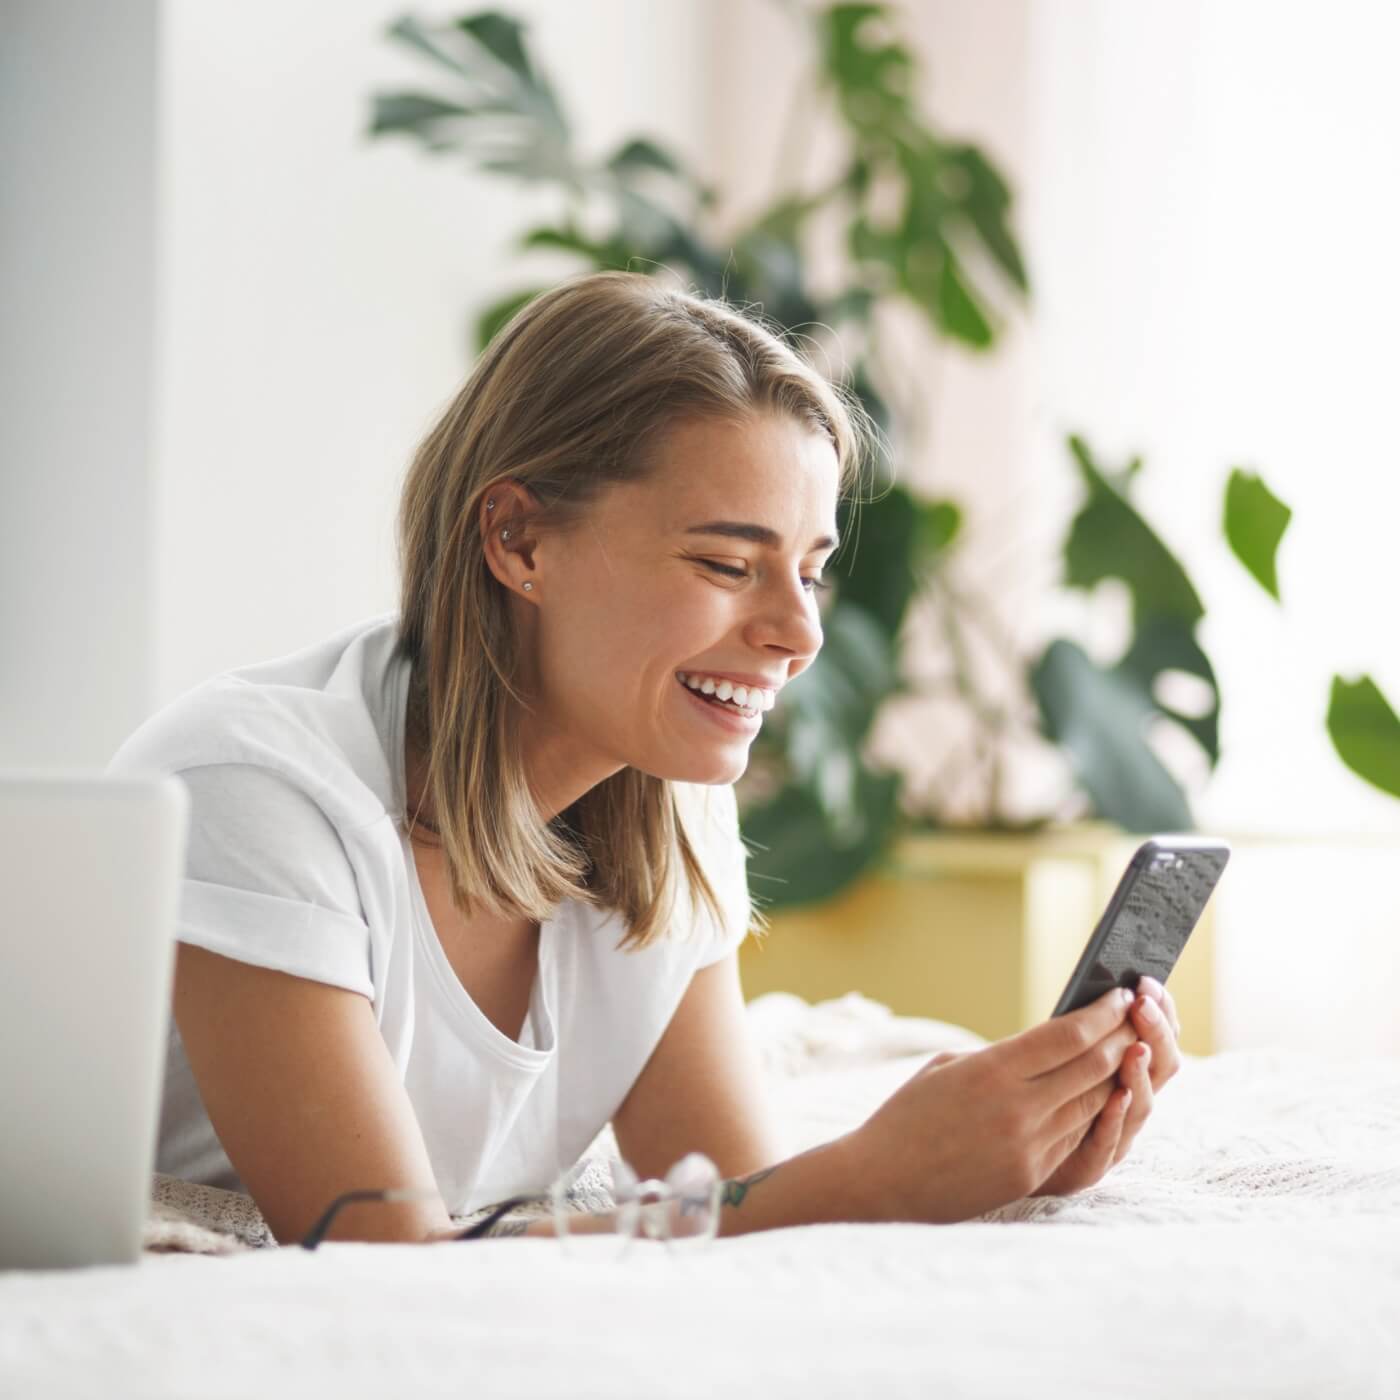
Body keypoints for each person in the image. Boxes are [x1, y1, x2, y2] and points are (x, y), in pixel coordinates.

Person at [109, 269, 1182, 1245]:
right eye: (726, 560)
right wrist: (874, 1175)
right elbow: (382, 1258)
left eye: (808, 571)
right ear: (518, 541)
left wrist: (999, 1158)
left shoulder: (661, 797)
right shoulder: (256, 788)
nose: (800, 632)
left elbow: (725, 1196)